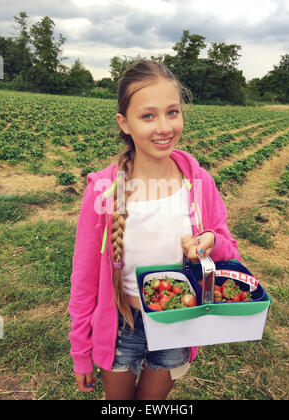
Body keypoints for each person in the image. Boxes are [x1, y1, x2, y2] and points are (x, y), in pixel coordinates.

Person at [68, 60, 240, 400]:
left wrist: (210, 242)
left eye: (172, 112)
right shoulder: (103, 190)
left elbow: (228, 249)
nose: (164, 127)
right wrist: (80, 351)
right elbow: (84, 278)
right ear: (125, 123)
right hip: (120, 323)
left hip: (177, 320)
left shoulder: (199, 183)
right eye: (148, 116)